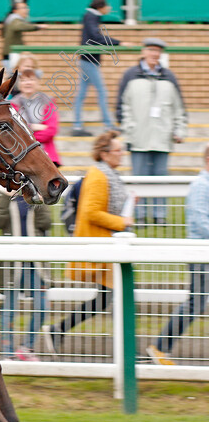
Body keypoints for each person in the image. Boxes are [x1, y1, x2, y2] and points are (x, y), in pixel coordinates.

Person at [43, 131, 133, 352]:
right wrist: (122, 221)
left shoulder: (108, 174)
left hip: (109, 244)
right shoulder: (98, 176)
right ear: (104, 153)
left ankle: (58, 330)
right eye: (117, 150)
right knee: (113, 297)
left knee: (107, 299)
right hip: (102, 245)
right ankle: (127, 349)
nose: (122, 154)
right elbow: (90, 212)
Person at [149, 144, 209, 365]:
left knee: (197, 303)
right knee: (196, 303)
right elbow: (200, 222)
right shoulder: (201, 186)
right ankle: (160, 347)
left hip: (203, 251)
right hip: (201, 253)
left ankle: (160, 347)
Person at [116, 38, 187, 225]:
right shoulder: (130, 75)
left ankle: (159, 216)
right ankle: (137, 216)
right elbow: (122, 107)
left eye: (158, 51)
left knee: (161, 178)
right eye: (151, 50)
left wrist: (179, 130)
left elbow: (178, 108)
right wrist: (129, 130)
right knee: (138, 179)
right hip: (138, 137)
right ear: (144, 51)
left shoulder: (169, 77)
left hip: (162, 138)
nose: (154, 54)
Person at [0, 187, 52, 361]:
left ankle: (27, 347)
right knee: (9, 308)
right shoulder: (1, 194)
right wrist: (5, 197)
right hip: (12, 263)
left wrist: (39, 200)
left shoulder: (36, 192)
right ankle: (8, 353)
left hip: (35, 262)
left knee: (42, 306)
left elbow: (46, 222)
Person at [72, 0, 123, 136]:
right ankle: (108, 125)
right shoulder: (91, 17)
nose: (109, 8)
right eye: (107, 6)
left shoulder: (91, 17)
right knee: (102, 91)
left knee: (82, 93)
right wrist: (118, 43)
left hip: (87, 60)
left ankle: (77, 126)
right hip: (89, 61)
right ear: (101, 7)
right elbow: (95, 37)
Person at [10, 69, 61, 166]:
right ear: (19, 83)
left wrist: (27, 131)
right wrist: (35, 127)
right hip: (22, 157)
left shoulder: (48, 101)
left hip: (47, 156)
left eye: (31, 79)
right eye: (24, 80)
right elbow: (14, 132)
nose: (28, 83)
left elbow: (52, 129)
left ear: (38, 82)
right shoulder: (12, 104)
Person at [1, 2, 47, 73]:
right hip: (12, 54)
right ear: (15, 10)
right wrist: (37, 27)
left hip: (11, 54)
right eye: (23, 8)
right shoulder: (14, 19)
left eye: (26, 8)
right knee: (14, 77)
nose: (26, 10)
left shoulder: (11, 19)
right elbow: (19, 26)